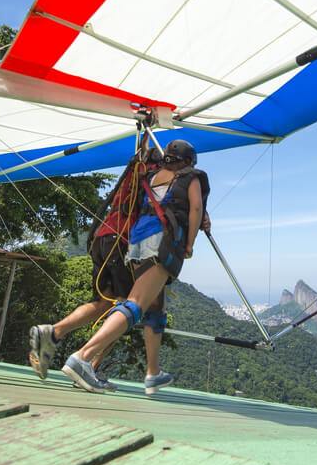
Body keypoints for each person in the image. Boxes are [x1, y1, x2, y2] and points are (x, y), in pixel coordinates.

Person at [63, 138, 209, 395]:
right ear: (188, 161)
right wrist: (190, 243)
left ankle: (153, 373)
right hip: (161, 241)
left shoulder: (151, 177)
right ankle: (83, 357)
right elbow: (195, 207)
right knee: (135, 304)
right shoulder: (191, 176)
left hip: (137, 241)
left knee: (156, 305)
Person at [28, 147, 156, 390]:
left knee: (103, 303)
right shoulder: (152, 175)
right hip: (123, 241)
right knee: (126, 308)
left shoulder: (133, 170)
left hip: (103, 237)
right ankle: (89, 367)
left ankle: (52, 333)